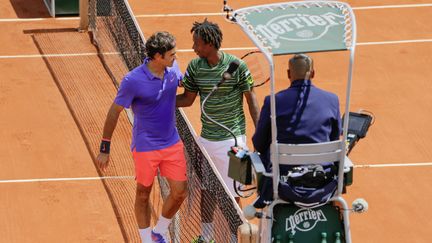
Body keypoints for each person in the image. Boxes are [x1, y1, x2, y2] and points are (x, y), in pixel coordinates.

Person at [96, 31, 187, 243]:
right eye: (172, 54)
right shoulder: (132, 80)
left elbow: (184, 85)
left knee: (180, 192)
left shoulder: (172, 69)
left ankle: (159, 232)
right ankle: (147, 240)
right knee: (143, 194)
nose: (176, 57)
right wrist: (104, 148)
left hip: (171, 143)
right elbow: (114, 111)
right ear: (158, 56)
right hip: (145, 146)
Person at [176, 19, 260, 242]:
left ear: (210, 44)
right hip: (207, 142)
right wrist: (158, 101)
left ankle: (235, 237)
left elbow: (251, 100)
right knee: (207, 189)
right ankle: (206, 237)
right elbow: (187, 99)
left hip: (236, 141)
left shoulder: (237, 67)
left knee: (236, 192)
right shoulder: (195, 67)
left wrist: (260, 135)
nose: (193, 47)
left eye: (197, 43)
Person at [252, 53, 342, 207]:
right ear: (313, 73)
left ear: (288, 74)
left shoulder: (273, 101)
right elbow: (334, 138)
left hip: (283, 182)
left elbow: (259, 143)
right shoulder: (332, 99)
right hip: (323, 181)